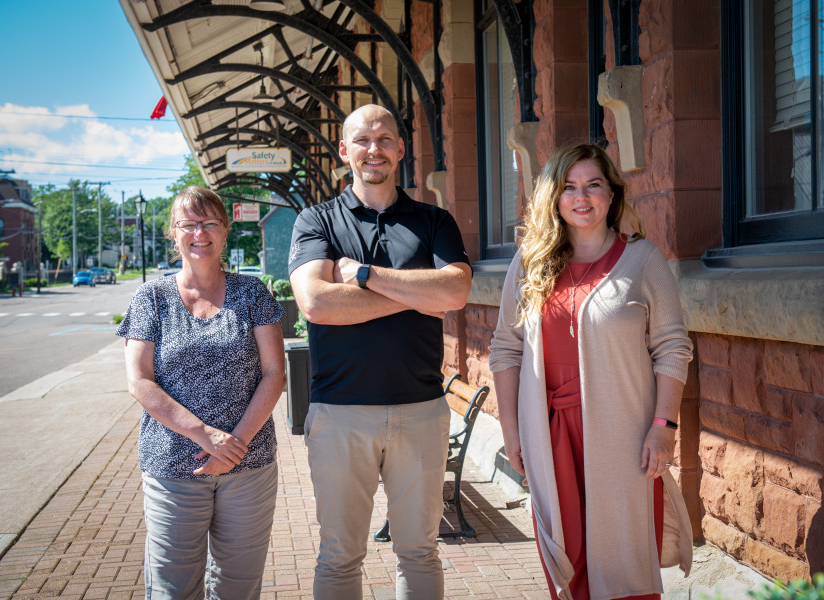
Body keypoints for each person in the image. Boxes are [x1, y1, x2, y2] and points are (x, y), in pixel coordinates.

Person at [489, 143, 695, 600]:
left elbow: (673, 347)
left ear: (611, 194)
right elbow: (506, 348)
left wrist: (664, 426)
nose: (581, 197)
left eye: (593, 185)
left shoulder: (643, 260)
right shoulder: (530, 264)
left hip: (621, 435)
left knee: (623, 560)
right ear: (554, 199)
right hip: (551, 435)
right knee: (567, 558)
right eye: (569, 187)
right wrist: (512, 430)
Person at [288, 104, 472, 600]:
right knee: (340, 556)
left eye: (385, 139)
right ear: (344, 151)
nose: (375, 149)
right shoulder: (317, 220)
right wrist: (415, 296)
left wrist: (368, 277)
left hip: (421, 410)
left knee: (420, 552)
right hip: (340, 413)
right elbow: (316, 303)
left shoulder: (434, 220)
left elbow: (454, 294)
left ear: (401, 149)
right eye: (363, 141)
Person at [118, 186, 286, 600]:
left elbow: (275, 373)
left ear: (225, 231)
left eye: (210, 223)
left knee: (238, 587)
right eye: (189, 224)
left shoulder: (252, 293)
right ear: (173, 234)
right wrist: (205, 436)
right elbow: (139, 380)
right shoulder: (151, 298)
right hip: (173, 466)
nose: (200, 232)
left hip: (249, 464)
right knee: (173, 589)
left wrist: (234, 444)